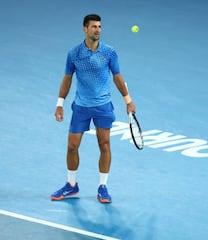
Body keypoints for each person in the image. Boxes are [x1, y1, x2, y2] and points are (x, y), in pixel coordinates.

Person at [51, 14, 136, 203]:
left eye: (99, 27)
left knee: (104, 145)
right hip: (81, 106)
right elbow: (67, 79)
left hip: (103, 106)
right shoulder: (74, 54)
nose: (97, 30)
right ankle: (71, 185)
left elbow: (117, 76)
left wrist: (128, 100)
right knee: (72, 147)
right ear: (85, 29)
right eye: (93, 27)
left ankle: (102, 187)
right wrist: (59, 104)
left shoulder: (109, 52)